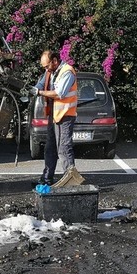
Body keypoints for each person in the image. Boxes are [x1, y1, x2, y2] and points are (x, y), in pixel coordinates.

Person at [31, 50, 85, 187]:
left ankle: (72, 181)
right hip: (54, 116)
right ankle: (47, 178)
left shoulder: (67, 72)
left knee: (64, 148)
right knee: (50, 148)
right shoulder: (50, 72)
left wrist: (39, 92)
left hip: (65, 116)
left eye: (47, 66)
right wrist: (32, 89)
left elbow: (60, 94)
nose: (45, 69)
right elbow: (41, 84)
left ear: (55, 61)